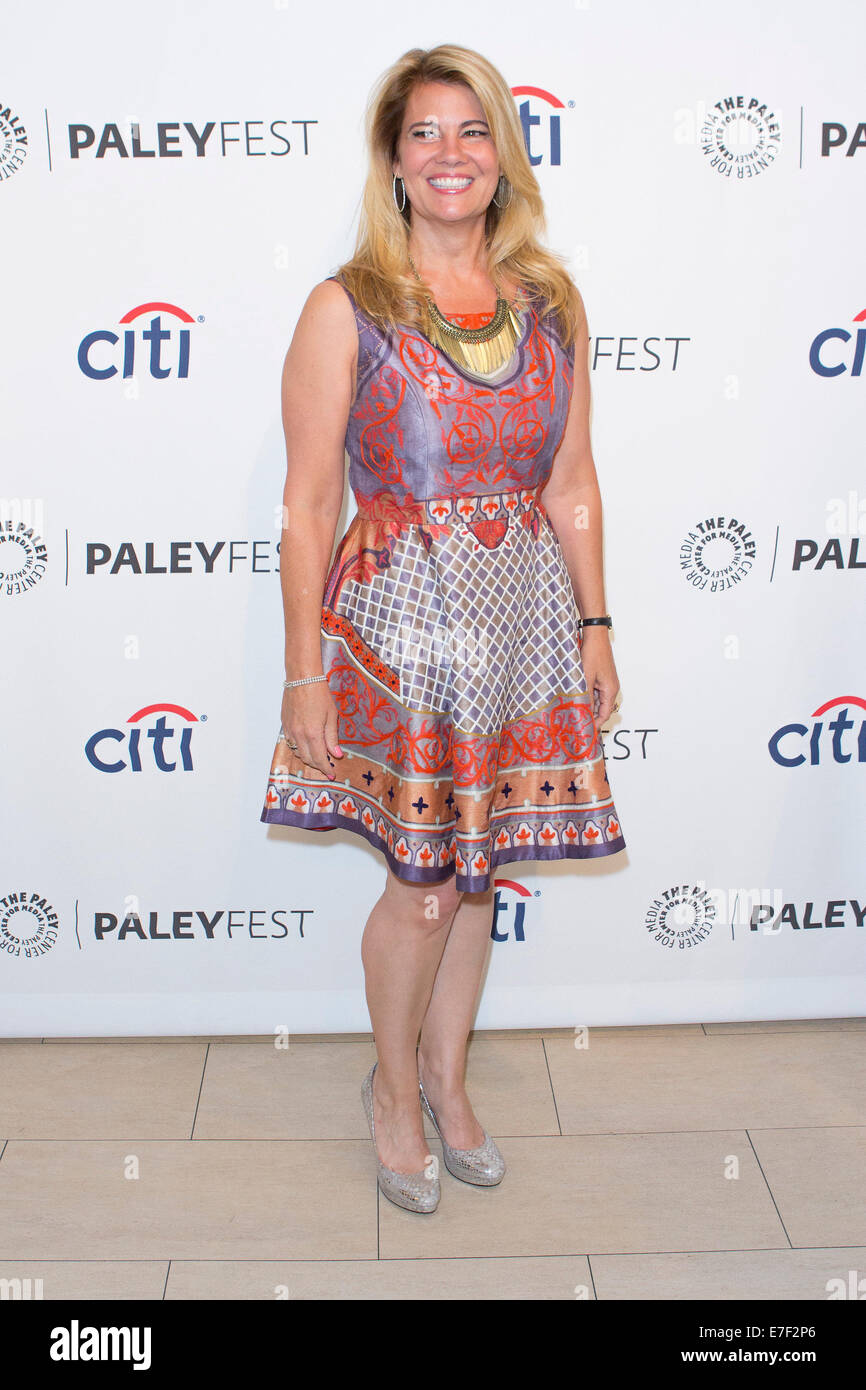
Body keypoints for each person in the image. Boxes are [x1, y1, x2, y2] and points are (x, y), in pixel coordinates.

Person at [260, 44, 626, 1214]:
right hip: (400, 631)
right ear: (393, 160)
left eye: (471, 132)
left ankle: (448, 1079)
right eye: (425, 133)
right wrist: (300, 676)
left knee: (473, 881)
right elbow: (309, 504)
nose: (449, 155)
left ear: (502, 155)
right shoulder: (347, 307)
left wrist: (595, 622)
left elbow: (570, 480)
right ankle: (393, 1094)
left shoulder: (549, 302)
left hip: (519, 618)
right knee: (421, 886)